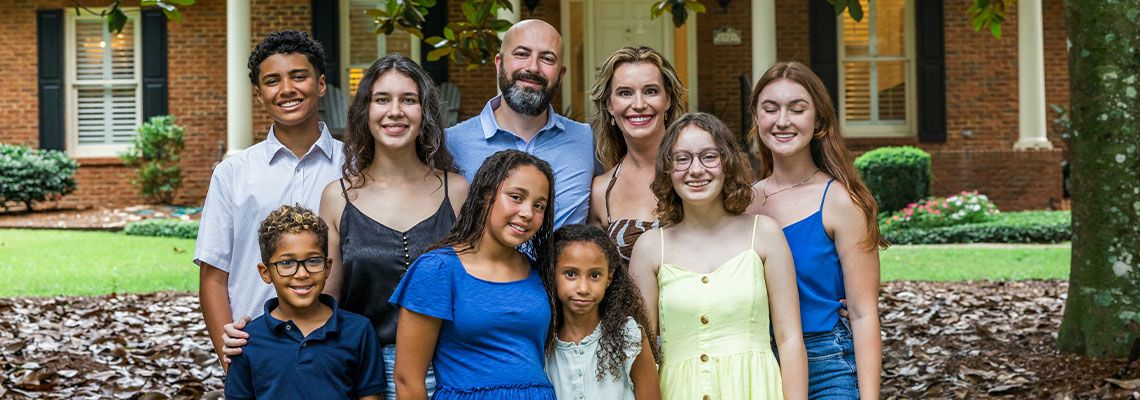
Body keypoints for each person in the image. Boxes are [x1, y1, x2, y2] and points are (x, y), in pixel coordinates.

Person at [220, 54, 467, 399]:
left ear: (424, 112)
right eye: (382, 99)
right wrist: (260, 331)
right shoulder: (338, 196)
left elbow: (477, 290)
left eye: (408, 100)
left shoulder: (456, 191)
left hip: (454, 370)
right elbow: (320, 299)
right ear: (365, 112)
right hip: (364, 372)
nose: (394, 111)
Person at [629, 112, 808, 399]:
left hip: (754, 389)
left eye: (709, 156)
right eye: (682, 158)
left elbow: (789, 340)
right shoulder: (650, 248)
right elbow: (642, 350)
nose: (696, 169)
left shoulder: (764, 235)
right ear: (667, 169)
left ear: (728, 164)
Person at [196, 30, 344, 368]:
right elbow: (214, 275)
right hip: (255, 352)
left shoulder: (354, 167)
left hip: (335, 353)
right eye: (273, 80)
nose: (287, 89)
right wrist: (228, 354)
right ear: (260, 93)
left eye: (299, 76)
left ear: (320, 85)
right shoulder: (232, 173)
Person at [746, 61, 886, 399]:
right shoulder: (744, 202)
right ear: (756, 118)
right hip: (756, 362)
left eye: (797, 109)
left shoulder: (841, 200)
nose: (782, 121)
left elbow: (864, 313)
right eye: (770, 109)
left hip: (826, 362)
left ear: (818, 120)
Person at [389, 150, 558, 399]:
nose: (527, 213)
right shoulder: (437, 270)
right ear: (485, 196)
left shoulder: (538, 271)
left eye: (538, 205)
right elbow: (407, 379)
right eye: (516, 197)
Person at [224, 205, 385, 400]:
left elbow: (371, 396)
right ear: (265, 273)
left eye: (313, 261)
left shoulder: (358, 331)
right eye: (286, 263)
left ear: (327, 267)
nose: (302, 273)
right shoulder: (245, 340)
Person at [446, 19, 595, 228]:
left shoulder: (587, 140)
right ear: (499, 63)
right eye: (522, 54)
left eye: (547, 58)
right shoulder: (452, 143)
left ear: (561, 75)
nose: (533, 67)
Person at [587, 46, 687, 261]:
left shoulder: (697, 172)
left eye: (651, 91)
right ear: (609, 105)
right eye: (625, 93)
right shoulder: (600, 191)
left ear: (667, 100)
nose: (639, 104)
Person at [542, 224, 661, 400]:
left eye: (595, 275)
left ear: (609, 279)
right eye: (571, 274)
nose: (583, 288)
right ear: (553, 275)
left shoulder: (629, 336)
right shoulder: (543, 343)